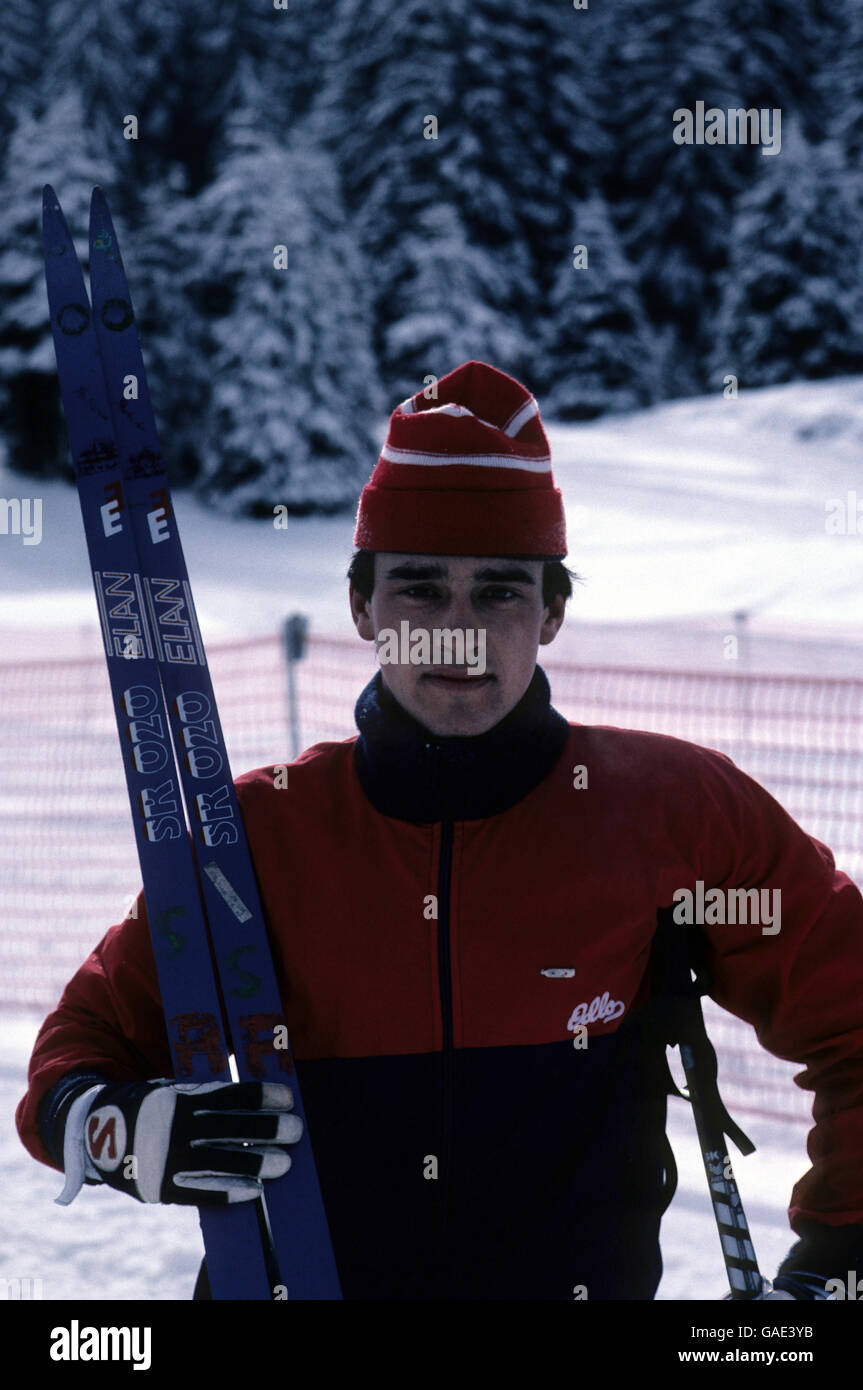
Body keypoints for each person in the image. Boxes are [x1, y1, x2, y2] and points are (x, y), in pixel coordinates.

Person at [16, 361, 863, 1300]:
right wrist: (124, 1129)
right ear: (361, 606)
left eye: (499, 592)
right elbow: (74, 1059)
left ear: (550, 613)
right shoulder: (250, 836)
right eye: (418, 588)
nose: (455, 633)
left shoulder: (674, 812)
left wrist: (836, 1263)